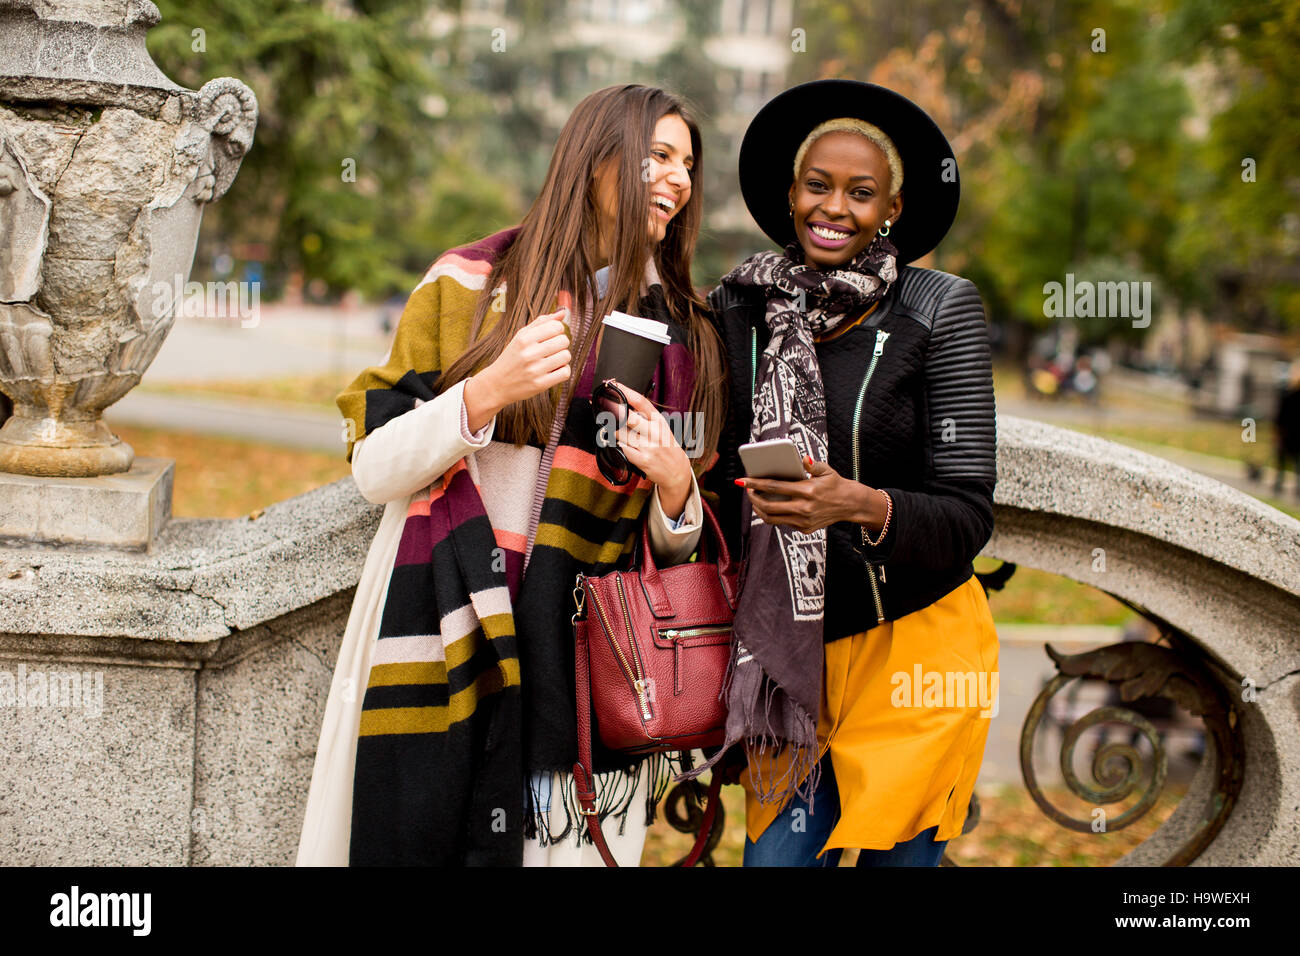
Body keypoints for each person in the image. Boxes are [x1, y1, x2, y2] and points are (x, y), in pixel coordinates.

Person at [297, 84, 726, 866]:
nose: (680, 180)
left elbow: (677, 551)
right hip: (441, 631)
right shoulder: (468, 285)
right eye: (658, 156)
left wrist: (673, 485)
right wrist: (487, 389)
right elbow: (374, 467)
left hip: (585, 666)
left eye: (688, 164)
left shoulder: (684, 335)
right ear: (596, 160)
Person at [699, 80, 1000, 866]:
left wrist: (855, 504)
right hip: (787, 656)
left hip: (917, 652)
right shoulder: (739, 309)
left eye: (861, 193)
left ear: (892, 207)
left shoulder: (938, 308)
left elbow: (968, 516)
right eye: (818, 185)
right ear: (790, 194)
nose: (835, 207)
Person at [1272, 360, 1300, 497]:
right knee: (1286, 461)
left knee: (1291, 462)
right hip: (1289, 432)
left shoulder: (1288, 394)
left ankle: (1281, 484)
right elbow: (1280, 415)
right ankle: (1279, 484)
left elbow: (1280, 415)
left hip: (1290, 432)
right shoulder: (1287, 394)